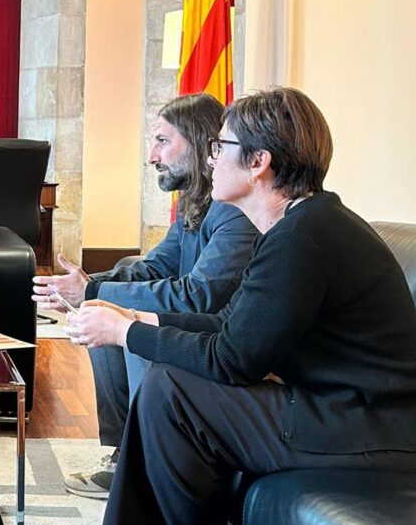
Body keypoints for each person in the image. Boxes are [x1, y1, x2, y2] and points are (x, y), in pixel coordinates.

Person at [65, 87, 416, 525]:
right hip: (352, 412)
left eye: (220, 147)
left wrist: (125, 332)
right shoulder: (301, 224)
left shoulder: (304, 236)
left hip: (383, 428)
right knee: (170, 381)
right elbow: (234, 324)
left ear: (259, 163)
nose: (210, 159)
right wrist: (139, 316)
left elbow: (233, 359)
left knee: (172, 390)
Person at [32, 93, 258, 498]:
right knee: (104, 308)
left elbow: (199, 296)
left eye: (162, 141)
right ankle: (126, 455)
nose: (152, 156)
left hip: (218, 338)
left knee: (128, 318)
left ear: (199, 142)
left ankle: (144, 465)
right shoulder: (196, 203)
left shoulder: (232, 210)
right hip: (194, 322)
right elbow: (155, 267)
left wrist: (95, 291)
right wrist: (88, 286)